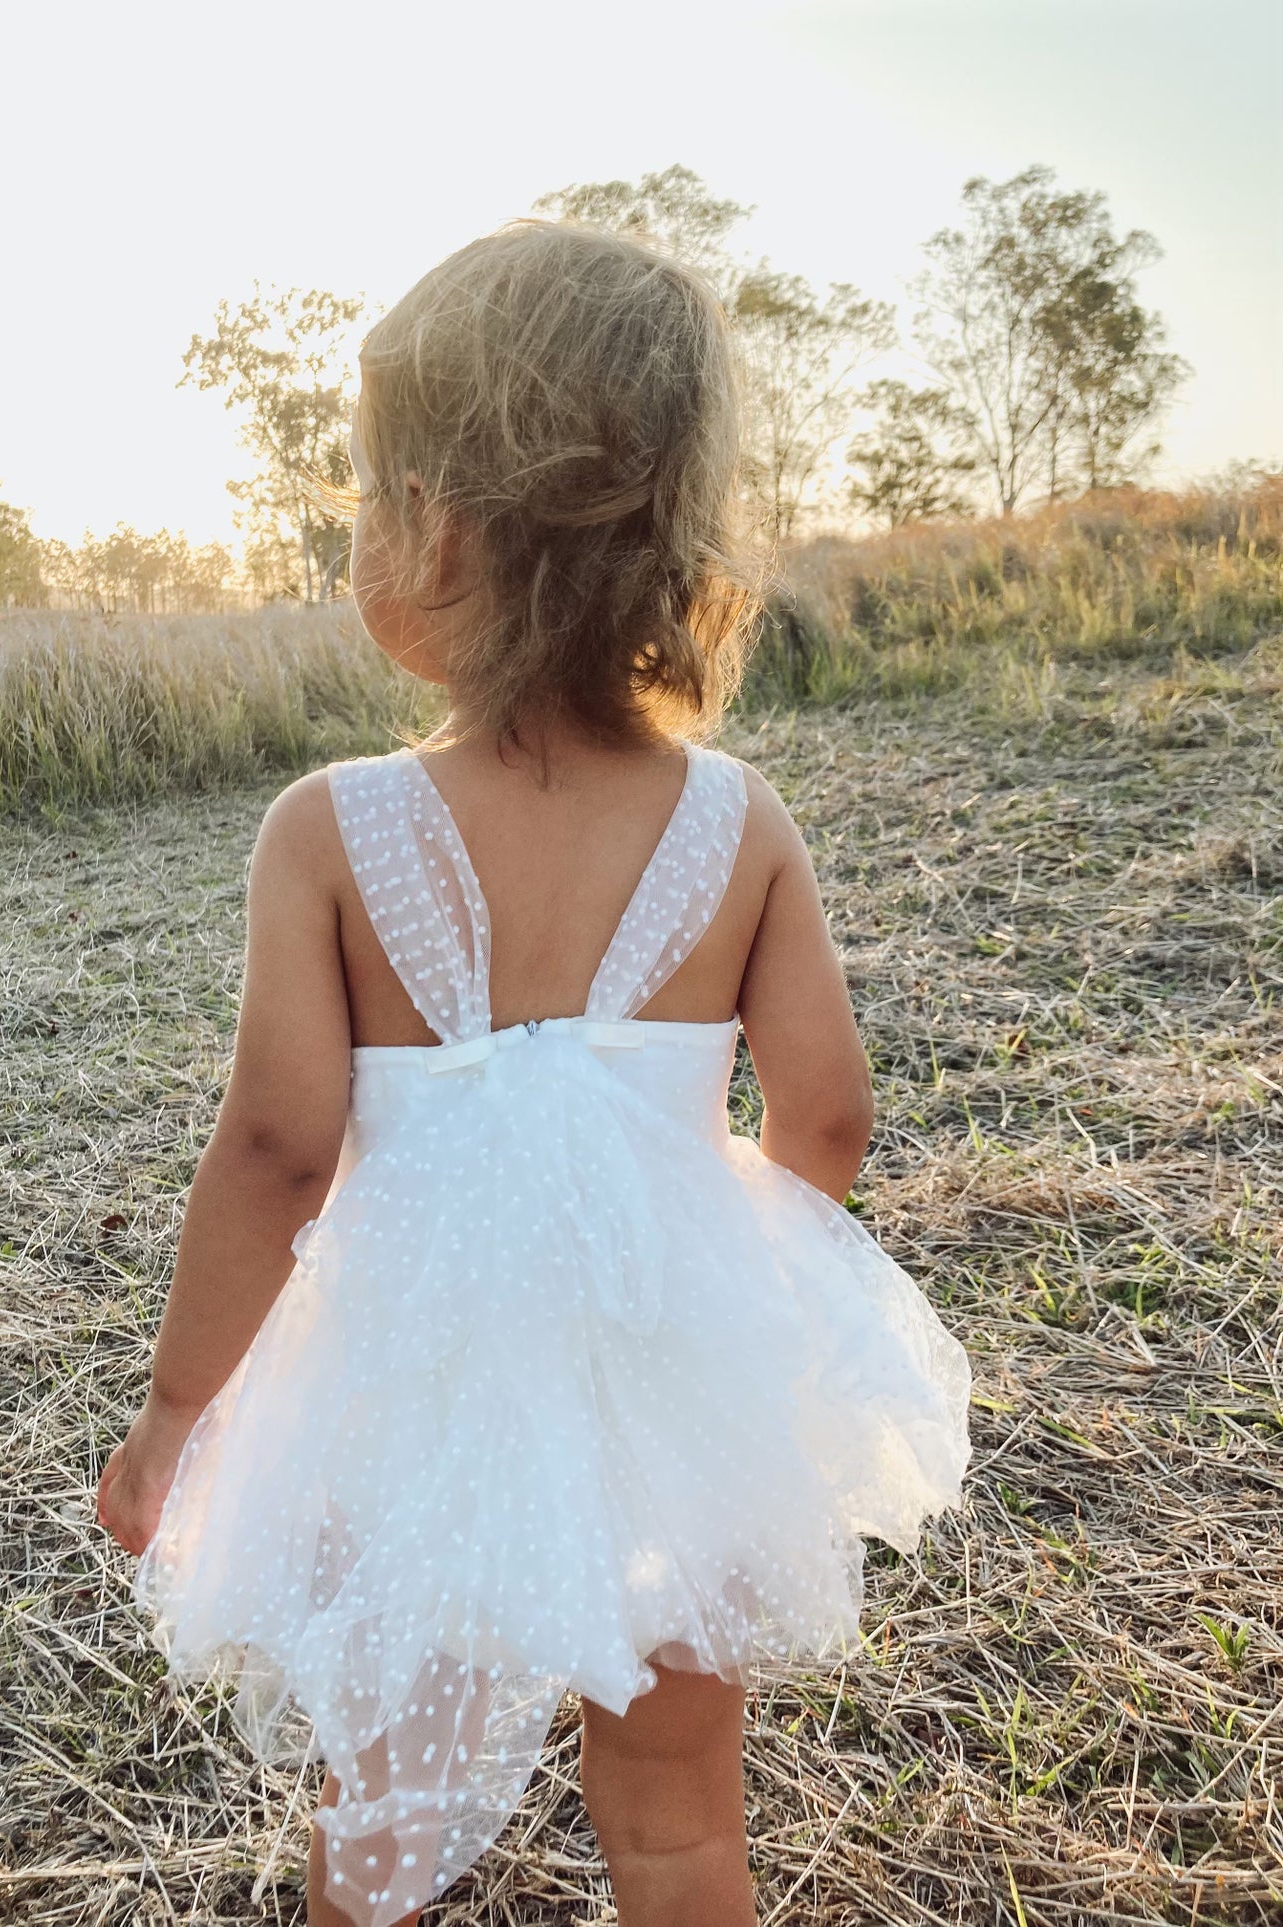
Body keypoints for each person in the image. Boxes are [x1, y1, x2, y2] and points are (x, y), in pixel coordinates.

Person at [96, 218, 972, 1927]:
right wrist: (724, 1260)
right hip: (673, 1387)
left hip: (410, 1388)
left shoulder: (330, 833)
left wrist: (179, 1412)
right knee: (675, 1818)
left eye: (362, 494)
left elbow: (277, 1148)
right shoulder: (739, 823)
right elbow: (831, 1112)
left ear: (437, 528)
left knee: (389, 1794)